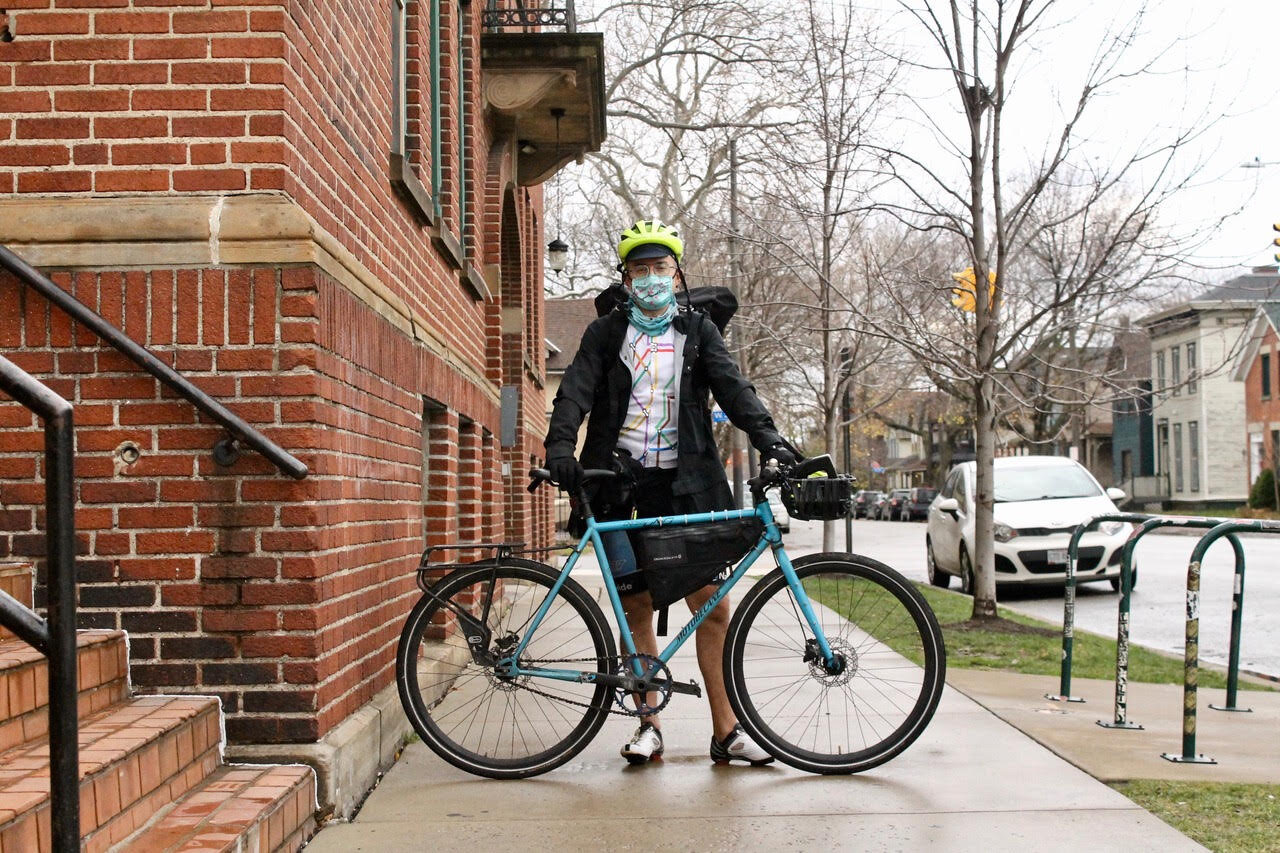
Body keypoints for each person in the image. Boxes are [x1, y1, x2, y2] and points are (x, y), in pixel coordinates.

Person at [544, 219, 796, 767]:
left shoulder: (699, 332)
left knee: (712, 607)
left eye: (660, 268)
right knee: (634, 606)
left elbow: (735, 390)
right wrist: (560, 446)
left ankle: (726, 732)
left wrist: (772, 440)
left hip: (688, 489)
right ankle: (648, 725)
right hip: (618, 486)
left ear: (676, 275)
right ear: (626, 279)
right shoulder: (605, 334)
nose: (651, 278)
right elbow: (573, 393)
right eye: (640, 270)